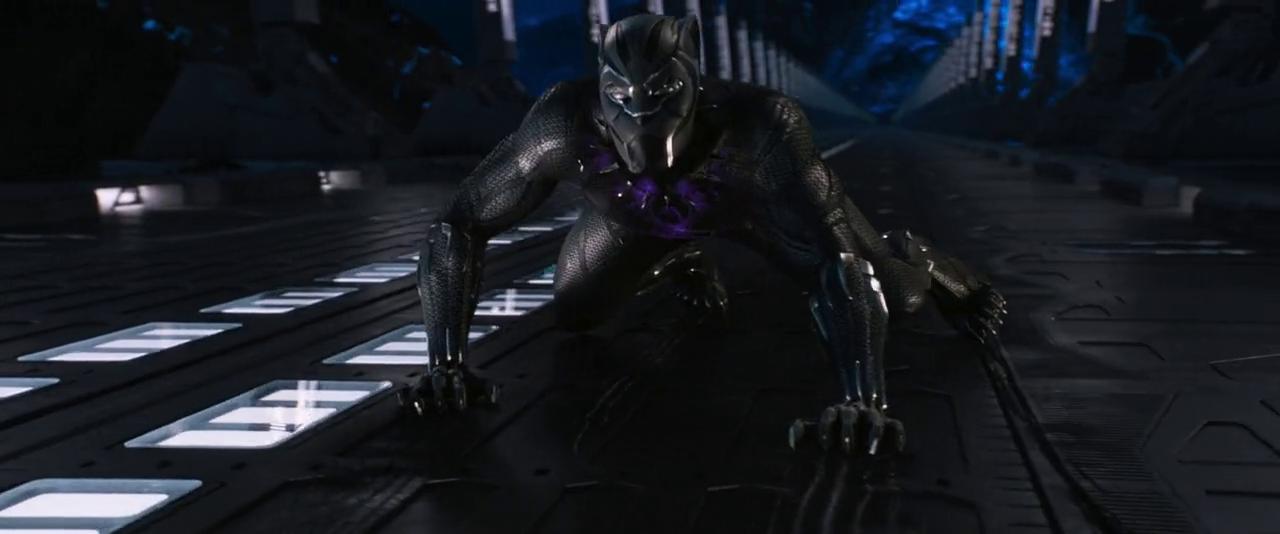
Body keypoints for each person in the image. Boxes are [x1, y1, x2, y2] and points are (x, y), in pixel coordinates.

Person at [408, 14, 1005, 455]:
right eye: (623, 98)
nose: (640, 115)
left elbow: (839, 258)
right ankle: (681, 259)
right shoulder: (561, 123)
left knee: (898, 294)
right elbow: (459, 222)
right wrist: (446, 364)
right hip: (640, 221)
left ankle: (920, 255)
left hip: (753, 213)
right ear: (603, 89)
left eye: (660, 95)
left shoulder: (765, 124)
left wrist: (861, 400)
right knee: (576, 312)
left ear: (692, 82)